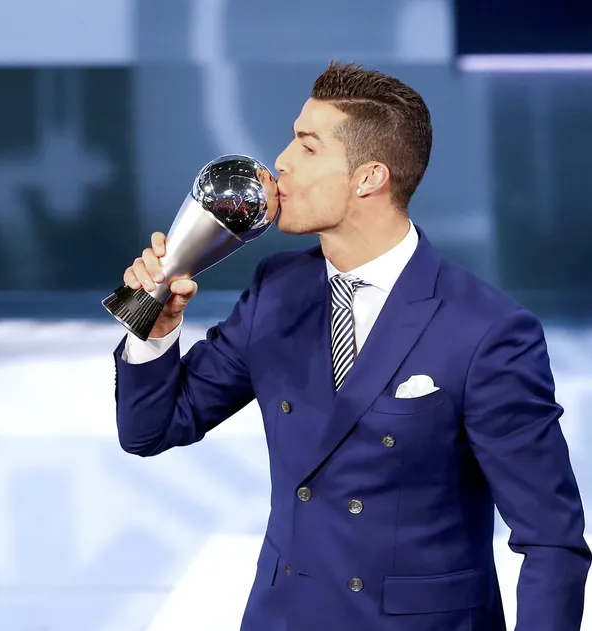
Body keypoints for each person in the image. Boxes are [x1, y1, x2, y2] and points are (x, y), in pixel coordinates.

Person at [112, 60, 591, 630]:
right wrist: (154, 327)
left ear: (369, 178)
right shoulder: (276, 290)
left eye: (307, 147)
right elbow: (149, 431)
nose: (281, 162)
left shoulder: (487, 330)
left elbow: (551, 541)